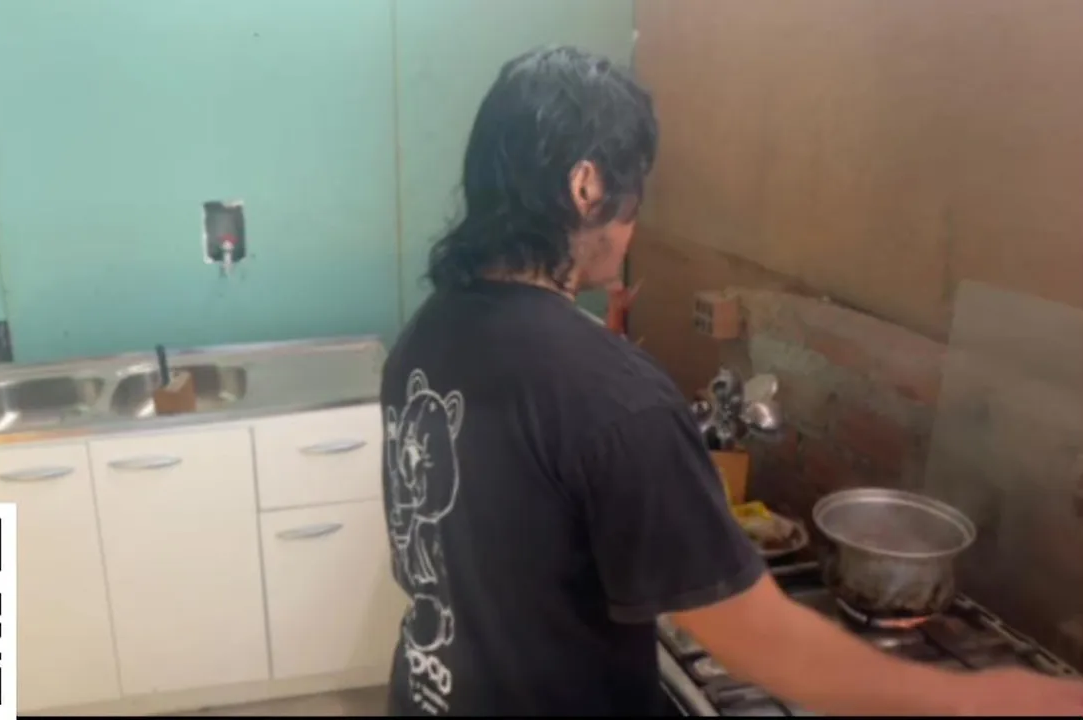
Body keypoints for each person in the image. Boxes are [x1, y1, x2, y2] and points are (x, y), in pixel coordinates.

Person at [378, 45, 1083, 717]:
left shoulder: (427, 336)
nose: (633, 224)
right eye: (635, 194)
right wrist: (971, 699)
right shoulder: (614, 397)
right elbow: (758, 642)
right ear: (586, 186)